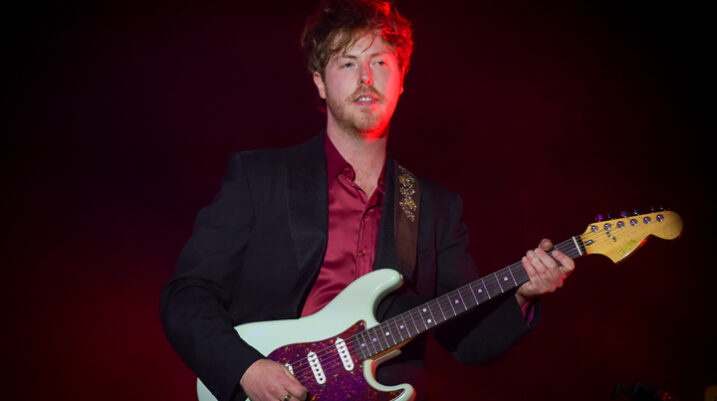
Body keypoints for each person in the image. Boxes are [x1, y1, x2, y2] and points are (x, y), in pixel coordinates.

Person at [160, 1, 575, 401]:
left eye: (379, 62)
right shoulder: (260, 178)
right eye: (347, 63)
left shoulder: (435, 208)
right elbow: (186, 296)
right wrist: (246, 369)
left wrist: (522, 295)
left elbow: (467, 341)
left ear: (401, 80)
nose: (366, 77)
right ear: (320, 82)